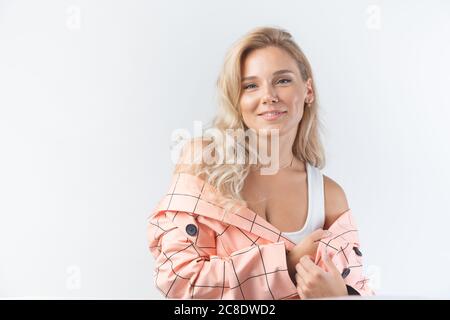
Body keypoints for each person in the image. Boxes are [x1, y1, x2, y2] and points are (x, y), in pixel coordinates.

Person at [147, 26, 374, 299]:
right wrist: (287, 266)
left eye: (283, 81)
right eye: (251, 85)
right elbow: (179, 281)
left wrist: (340, 296)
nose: (269, 96)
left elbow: (358, 290)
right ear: (237, 98)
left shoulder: (328, 196)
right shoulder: (203, 162)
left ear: (308, 90)